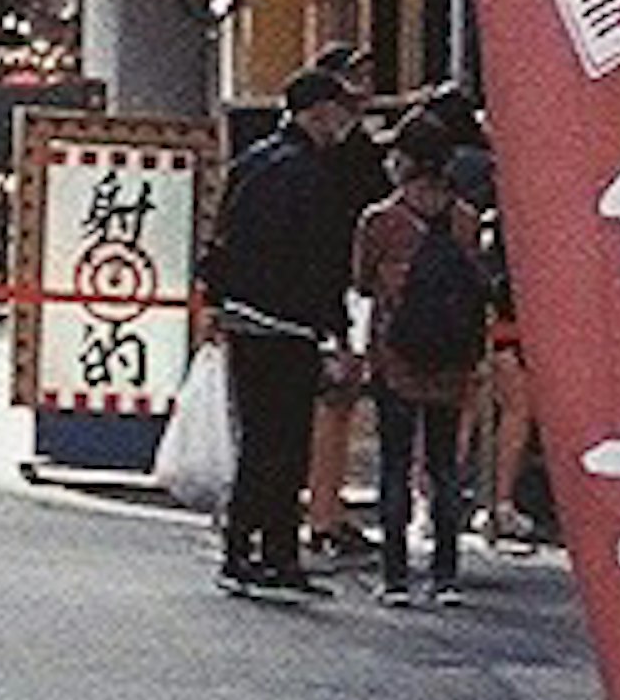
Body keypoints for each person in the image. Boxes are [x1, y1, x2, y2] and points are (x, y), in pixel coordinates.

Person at [204, 60, 368, 598]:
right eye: (340, 110)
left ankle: (253, 549)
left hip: (245, 317)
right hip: (290, 323)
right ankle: (268, 553)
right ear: (319, 113)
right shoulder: (313, 175)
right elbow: (323, 260)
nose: (344, 122)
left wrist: (217, 301)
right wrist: (337, 332)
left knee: (260, 439)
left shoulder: (251, 162)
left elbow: (221, 238)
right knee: (285, 444)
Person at [355, 108, 495, 606]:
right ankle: (446, 575)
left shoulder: (381, 220)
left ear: (404, 160)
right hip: (453, 356)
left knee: (394, 463)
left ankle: (394, 577)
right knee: (443, 465)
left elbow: (362, 282)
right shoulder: (465, 219)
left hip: (397, 354)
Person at [301, 50, 394, 565]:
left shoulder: (313, 152)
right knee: (332, 402)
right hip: (340, 287)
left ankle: (321, 508)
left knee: (329, 404)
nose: (364, 87)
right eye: (355, 77)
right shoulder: (345, 151)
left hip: (325, 288)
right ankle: (323, 513)